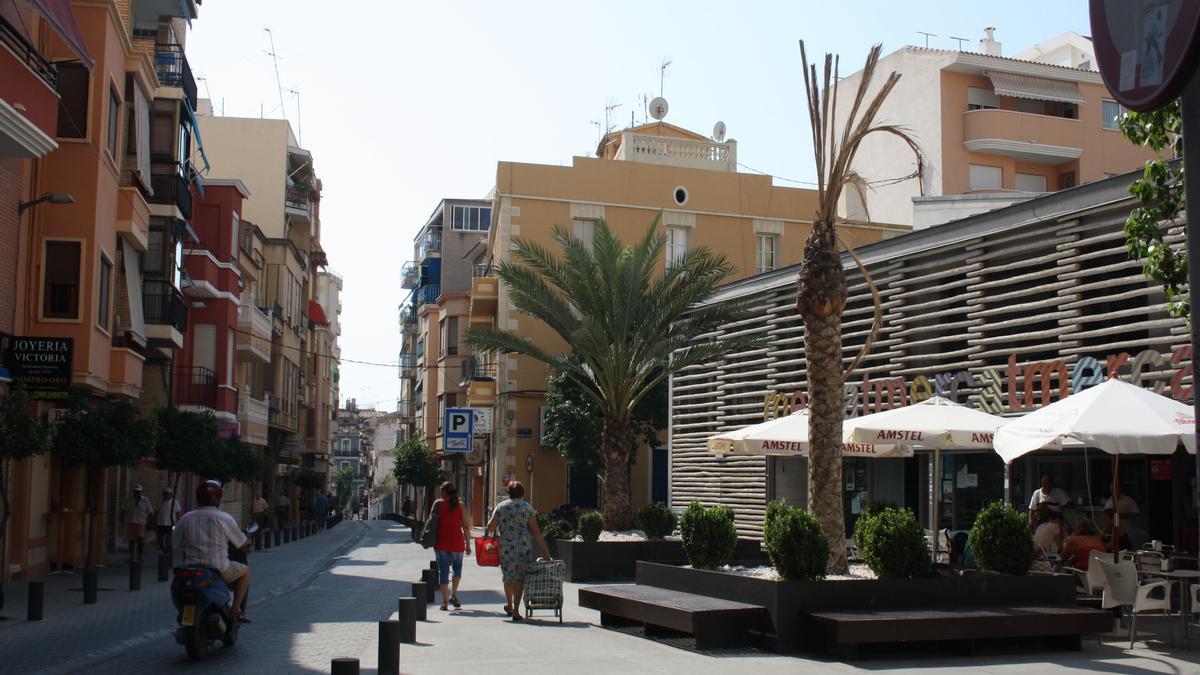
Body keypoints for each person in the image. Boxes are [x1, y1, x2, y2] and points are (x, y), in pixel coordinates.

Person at [174, 480, 253, 622]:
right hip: (219, 567)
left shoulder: (186, 518)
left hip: (191, 568)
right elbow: (241, 542)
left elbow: (173, 543)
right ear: (218, 499)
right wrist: (247, 542)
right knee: (245, 571)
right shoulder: (224, 518)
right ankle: (235, 610)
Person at [485, 481, 551, 621]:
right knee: (519, 578)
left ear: (508, 492)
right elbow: (536, 532)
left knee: (508, 576)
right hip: (523, 548)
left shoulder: (501, 507)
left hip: (505, 548)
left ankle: (509, 605)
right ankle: (515, 610)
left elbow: (490, 527)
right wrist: (545, 552)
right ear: (522, 493)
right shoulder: (527, 508)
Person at [431, 482, 472, 611]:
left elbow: (431, 523)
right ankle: (453, 595)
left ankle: (444, 602)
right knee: (457, 570)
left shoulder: (438, 504)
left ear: (443, 492)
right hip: (457, 544)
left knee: (443, 572)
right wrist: (468, 544)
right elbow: (465, 526)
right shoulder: (461, 505)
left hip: (441, 544)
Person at [122, 484, 153, 562]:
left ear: (140, 492)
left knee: (140, 540)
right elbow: (123, 511)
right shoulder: (128, 500)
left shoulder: (145, 500)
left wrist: (150, 523)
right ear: (133, 492)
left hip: (141, 523)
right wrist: (122, 521)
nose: (137, 493)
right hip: (131, 522)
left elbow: (150, 512)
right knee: (131, 541)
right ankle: (132, 556)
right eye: (135, 492)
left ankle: (140, 555)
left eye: (138, 492)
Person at [155, 486, 182, 555]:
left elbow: (178, 514)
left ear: (171, 494)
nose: (166, 495)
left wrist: (178, 524)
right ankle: (166, 552)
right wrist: (154, 523)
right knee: (160, 541)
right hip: (161, 524)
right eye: (165, 494)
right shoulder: (159, 502)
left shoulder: (174, 502)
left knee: (168, 541)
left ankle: (168, 555)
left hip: (171, 525)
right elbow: (156, 513)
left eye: (168, 494)